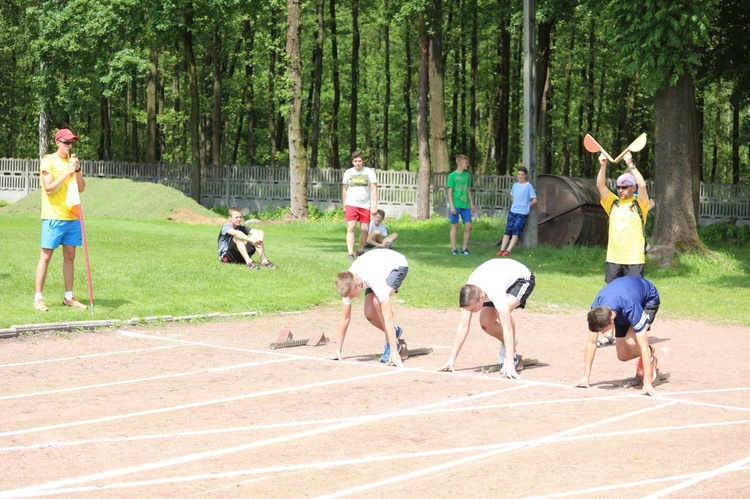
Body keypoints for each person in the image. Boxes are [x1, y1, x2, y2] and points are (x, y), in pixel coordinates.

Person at [439, 258, 535, 378]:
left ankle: (512, 357)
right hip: (500, 279)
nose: (473, 312)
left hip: (521, 279)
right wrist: (451, 360)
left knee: (502, 313)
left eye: (474, 309)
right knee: (485, 322)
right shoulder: (471, 291)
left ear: (482, 297)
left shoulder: (494, 290)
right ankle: (509, 343)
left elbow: (507, 328)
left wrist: (509, 363)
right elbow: (463, 326)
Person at [594, 151, 650, 347]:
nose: (620, 190)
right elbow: (600, 185)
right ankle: (609, 334)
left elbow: (643, 185)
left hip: (634, 258)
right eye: (618, 187)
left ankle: (635, 332)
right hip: (614, 258)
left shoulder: (639, 204)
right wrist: (602, 165)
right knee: (610, 298)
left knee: (634, 298)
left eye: (624, 187)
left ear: (631, 187)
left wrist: (631, 164)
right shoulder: (613, 203)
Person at [578, 276, 661, 396]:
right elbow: (591, 343)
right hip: (622, 302)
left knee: (631, 341)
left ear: (612, 319)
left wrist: (647, 384)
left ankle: (650, 358)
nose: (601, 333)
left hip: (647, 300)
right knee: (623, 356)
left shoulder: (631, 308)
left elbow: (642, 345)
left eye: (603, 330)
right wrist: (585, 377)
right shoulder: (596, 310)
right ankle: (650, 351)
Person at [33, 128, 88, 312]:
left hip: (71, 217)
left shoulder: (72, 163)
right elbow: (49, 189)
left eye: (71, 143)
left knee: (70, 255)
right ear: (57, 142)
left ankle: (68, 297)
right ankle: (38, 298)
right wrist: (66, 172)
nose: (69, 146)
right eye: (66, 142)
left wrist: (77, 169)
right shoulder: (48, 160)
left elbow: (81, 188)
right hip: (53, 216)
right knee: (46, 256)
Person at [333, 249, 408, 367]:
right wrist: (338, 350)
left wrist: (394, 352)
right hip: (376, 267)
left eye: (352, 295)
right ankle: (395, 331)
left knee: (377, 302)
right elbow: (345, 318)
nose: (350, 298)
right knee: (369, 314)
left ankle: (391, 347)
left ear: (358, 285)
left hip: (396, 265)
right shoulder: (348, 282)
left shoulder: (373, 278)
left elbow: (388, 316)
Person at [342, 150, 378, 260]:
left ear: (363, 161)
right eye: (355, 161)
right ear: (352, 162)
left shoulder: (369, 172)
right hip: (351, 204)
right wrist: (344, 203)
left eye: (360, 161)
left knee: (365, 229)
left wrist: (374, 205)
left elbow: (374, 189)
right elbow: (344, 189)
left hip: (365, 205)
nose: (358, 163)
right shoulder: (348, 172)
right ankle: (350, 253)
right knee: (351, 227)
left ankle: (360, 250)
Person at [497, 166, 537, 257]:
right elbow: (512, 197)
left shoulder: (528, 186)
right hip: (513, 211)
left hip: (522, 213)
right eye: (519, 174)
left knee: (516, 231)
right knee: (508, 230)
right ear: (517, 175)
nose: (520, 176)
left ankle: (508, 250)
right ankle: (502, 249)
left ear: (526, 175)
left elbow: (534, 200)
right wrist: (515, 202)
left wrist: (526, 207)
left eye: (522, 175)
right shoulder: (515, 185)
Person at [447, 154, 475, 255]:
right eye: (466, 163)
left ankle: (464, 249)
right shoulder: (452, 176)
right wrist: (452, 206)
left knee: (469, 226)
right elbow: (450, 192)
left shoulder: (467, 175)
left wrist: (471, 203)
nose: (467, 165)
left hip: (465, 205)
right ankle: (454, 249)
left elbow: (468, 190)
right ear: (460, 163)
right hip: (456, 204)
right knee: (455, 225)